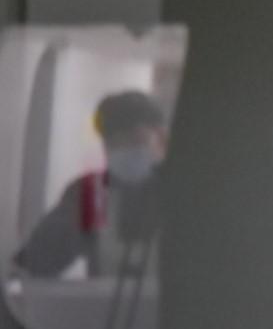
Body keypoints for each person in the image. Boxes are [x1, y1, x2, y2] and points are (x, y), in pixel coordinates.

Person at [12, 90, 166, 278]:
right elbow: (34, 262)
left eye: (134, 140)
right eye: (113, 143)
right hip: (104, 307)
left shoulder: (188, 193)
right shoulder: (92, 194)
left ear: (161, 138)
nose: (124, 149)